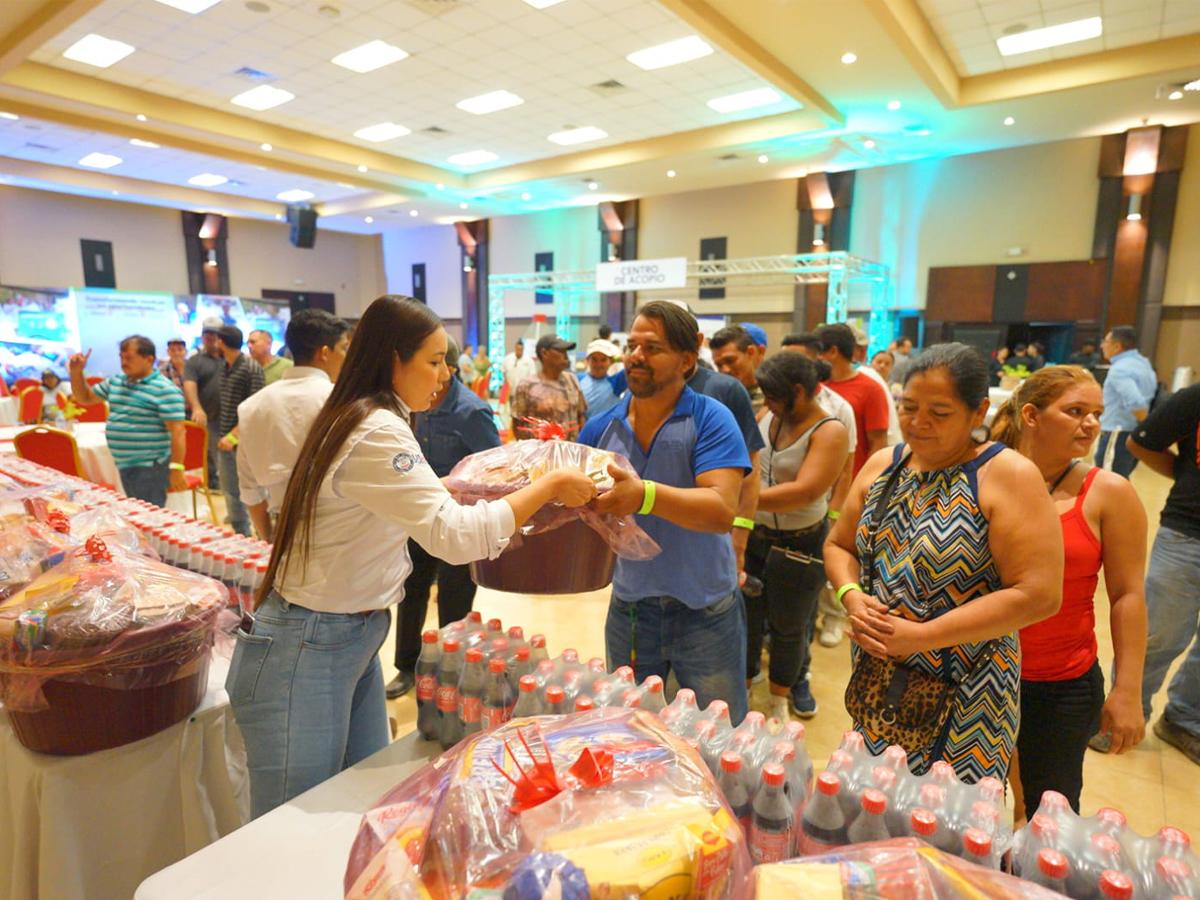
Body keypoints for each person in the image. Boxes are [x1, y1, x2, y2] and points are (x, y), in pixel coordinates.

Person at [226, 296, 596, 818]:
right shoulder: (377, 427)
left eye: (446, 361)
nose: (444, 375)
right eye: (433, 360)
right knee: (292, 820)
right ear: (391, 359)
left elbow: (392, 499)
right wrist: (550, 485)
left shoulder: (367, 414)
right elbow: (455, 538)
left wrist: (464, 487)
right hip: (309, 643)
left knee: (353, 802)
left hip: (348, 633)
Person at [825, 343, 1062, 782]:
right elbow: (840, 546)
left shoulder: (1006, 474)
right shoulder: (885, 465)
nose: (918, 422)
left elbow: (1039, 594)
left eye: (939, 411)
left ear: (978, 413)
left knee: (949, 824)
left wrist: (922, 637)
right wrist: (851, 595)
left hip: (969, 690)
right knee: (876, 802)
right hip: (880, 677)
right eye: (909, 407)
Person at [580, 301, 751, 723]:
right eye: (632, 345)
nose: (636, 355)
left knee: (717, 734)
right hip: (632, 609)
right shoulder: (601, 428)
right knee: (632, 729)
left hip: (704, 610)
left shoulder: (711, 418)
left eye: (652, 348)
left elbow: (720, 510)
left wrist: (645, 496)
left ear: (686, 360)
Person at [991, 365, 1147, 817]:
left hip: (1060, 681)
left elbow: (1127, 595)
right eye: (1076, 411)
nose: (1092, 423)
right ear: (1032, 416)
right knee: (965, 807)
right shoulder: (986, 475)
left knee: (1046, 818)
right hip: (976, 673)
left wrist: (1127, 690)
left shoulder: (1109, 493)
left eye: (1096, 413)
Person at [386, 337, 502, 699]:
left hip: (458, 522)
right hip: (416, 518)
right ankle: (407, 666)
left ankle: (448, 674)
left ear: (447, 369)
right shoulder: (407, 404)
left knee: (454, 600)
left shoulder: (471, 411)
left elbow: (495, 469)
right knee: (410, 591)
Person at [745, 352, 848, 721]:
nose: (767, 403)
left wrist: (739, 499)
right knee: (749, 617)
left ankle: (779, 699)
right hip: (756, 534)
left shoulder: (829, 430)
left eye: (773, 396)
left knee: (790, 628)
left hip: (800, 542)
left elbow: (805, 491)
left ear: (799, 392)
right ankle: (745, 686)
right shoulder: (769, 414)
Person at [1124, 383, 1200, 765]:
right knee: (1160, 633)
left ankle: (1183, 720)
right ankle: (1126, 711)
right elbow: (1141, 443)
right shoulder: (1195, 397)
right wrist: (1188, 477)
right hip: (1187, 533)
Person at [236, 309, 351, 542]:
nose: (348, 357)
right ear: (325, 353)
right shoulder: (341, 401)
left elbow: (250, 491)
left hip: (284, 527)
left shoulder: (251, 406)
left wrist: (270, 540)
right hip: (343, 529)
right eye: (345, 348)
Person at [781, 331, 859, 656]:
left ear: (818, 361)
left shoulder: (838, 408)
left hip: (813, 517)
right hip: (770, 521)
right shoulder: (774, 403)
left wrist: (836, 514)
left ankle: (801, 674)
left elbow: (845, 469)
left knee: (804, 599)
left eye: (796, 359)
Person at [67, 337, 188, 506]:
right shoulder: (117, 381)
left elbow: (178, 431)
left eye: (129, 358)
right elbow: (85, 398)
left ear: (149, 359)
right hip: (125, 463)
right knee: (138, 514)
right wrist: (76, 372)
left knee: (149, 517)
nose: (123, 362)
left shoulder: (164, 389)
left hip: (150, 466)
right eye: (121, 357)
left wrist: (177, 467)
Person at [815, 323, 892, 477]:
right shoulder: (815, 385)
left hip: (852, 482)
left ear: (833, 351)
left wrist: (867, 485)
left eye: (817, 352)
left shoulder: (871, 389)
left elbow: (878, 444)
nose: (814, 357)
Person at [215, 325, 265, 536]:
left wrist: (233, 436)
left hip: (242, 440)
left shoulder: (250, 368)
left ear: (222, 342)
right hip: (226, 437)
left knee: (249, 492)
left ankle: (254, 538)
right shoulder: (226, 367)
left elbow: (256, 408)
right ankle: (240, 536)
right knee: (230, 491)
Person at [1095, 326, 1157, 478]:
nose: (1102, 345)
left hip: (1117, 433)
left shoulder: (1120, 369)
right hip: (1133, 434)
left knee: (1107, 481)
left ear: (1117, 346)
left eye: (1105, 341)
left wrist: (1146, 426)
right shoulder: (1143, 364)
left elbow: (1136, 402)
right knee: (1119, 480)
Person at [510, 334, 587, 438]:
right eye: (561, 351)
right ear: (544, 353)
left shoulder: (572, 380)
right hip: (539, 452)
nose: (566, 356)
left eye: (566, 351)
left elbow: (581, 417)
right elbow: (517, 426)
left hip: (569, 451)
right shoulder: (526, 386)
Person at [184, 318, 225, 487]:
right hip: (209, 418)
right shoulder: (195, 361)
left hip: (233, 418)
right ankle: (216, 488)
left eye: (214, 333)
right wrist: (196, 407)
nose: (210, 337)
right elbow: (189, 384)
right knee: (213, 457)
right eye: (207, 333)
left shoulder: (232, 358)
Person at [851, 326, 903, 445]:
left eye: (887, 364)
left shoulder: (874, 382)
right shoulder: (865, 376)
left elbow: (880, 436)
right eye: (879, 362)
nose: (882, 366)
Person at [709, 324, 767, 416]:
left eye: (730, 360)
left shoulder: (772, 396)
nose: (725, 370)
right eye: (719, 365)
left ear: (750, 352)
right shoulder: (715, 397)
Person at [578, 338, 626, 421]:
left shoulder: (616, 383)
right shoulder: (577, 379)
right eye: (594, 359)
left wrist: (617, 359)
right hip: (582, 432)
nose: (598, 364)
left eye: (603, 360)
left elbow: (631, 363)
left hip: (606, 432)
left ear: (611, 362)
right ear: (587, 360)